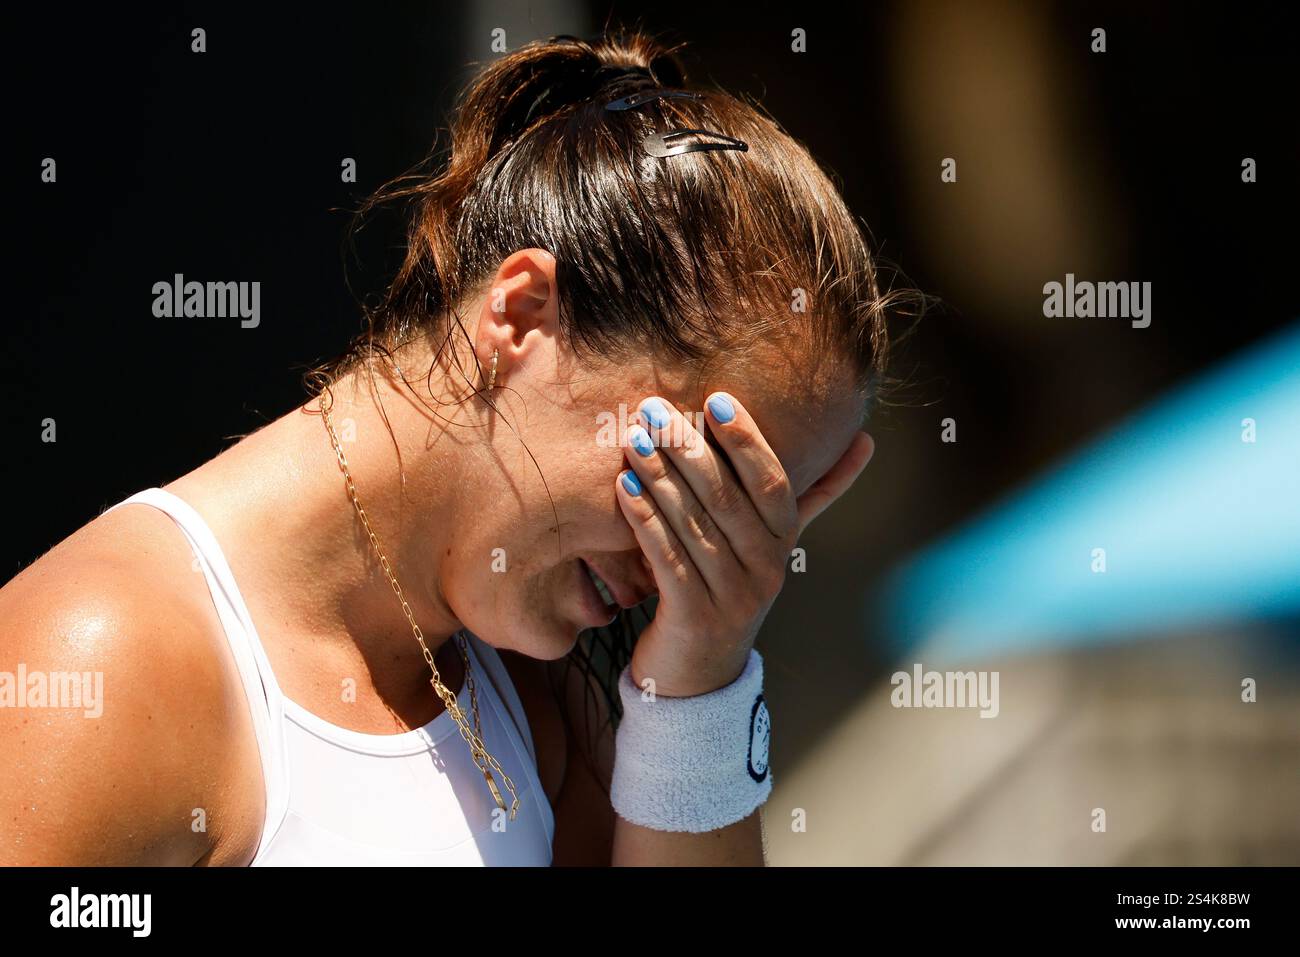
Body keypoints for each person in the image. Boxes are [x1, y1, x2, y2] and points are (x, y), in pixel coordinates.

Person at [0, 31, 906, 866]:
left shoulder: (545, 698)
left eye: (746, 514)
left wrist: (703, 684)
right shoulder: (106, 665)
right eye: (690, 479)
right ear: (518, 316)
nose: (685, 566)